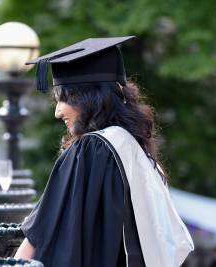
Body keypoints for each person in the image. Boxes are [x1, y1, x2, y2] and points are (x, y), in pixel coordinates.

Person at [14, 37, 194, 266]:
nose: (58, 112)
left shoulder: (91, 149)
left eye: (64, 98)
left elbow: (43, 231)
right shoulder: (135, 151)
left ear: (89, 98)